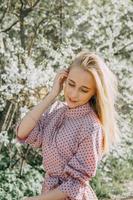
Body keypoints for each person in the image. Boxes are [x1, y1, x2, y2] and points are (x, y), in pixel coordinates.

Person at [15, 50, 120, 200]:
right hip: (49, 192)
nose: (73, 94)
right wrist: (51, 95)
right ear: (64, 79)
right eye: (70, 84)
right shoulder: (56, 111)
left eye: (84, 90)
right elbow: (22, 132)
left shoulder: (91, 126)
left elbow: (76, 184)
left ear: (94, 93)